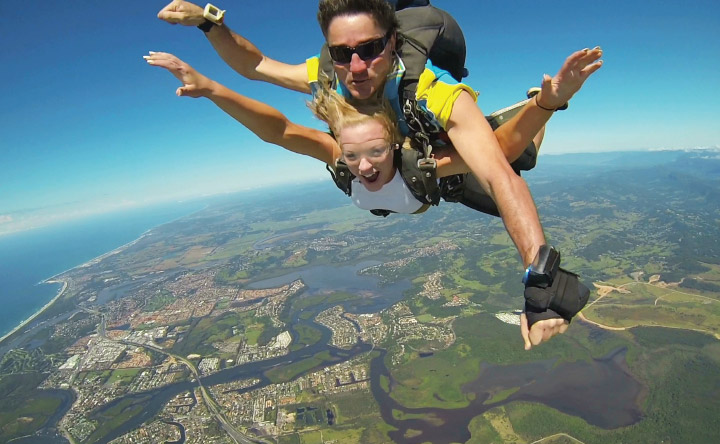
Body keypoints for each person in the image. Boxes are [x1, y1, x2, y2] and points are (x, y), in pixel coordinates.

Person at [154, 0, 603, 349]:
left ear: (391, 43)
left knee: (517, 156)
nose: (355, 67)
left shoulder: (433, 92)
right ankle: (535, 109)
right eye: (342, 52)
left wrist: (540, 282)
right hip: (421, 169)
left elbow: (503, 175)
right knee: (479, 158)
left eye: (368, 50)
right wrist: (208, 23)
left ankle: (536, 105)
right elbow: (257, 69)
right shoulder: (330, 80)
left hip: (437, 160)